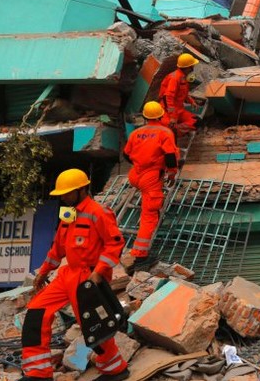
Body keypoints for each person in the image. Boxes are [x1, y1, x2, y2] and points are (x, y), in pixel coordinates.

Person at [20, 169, 128, 381]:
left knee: (94, 325)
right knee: (36, 311)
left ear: (82, 190)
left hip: (88, 278)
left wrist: (98, 274)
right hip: (67, 275)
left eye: (67, 193)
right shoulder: (69, 215)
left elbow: (115, 244)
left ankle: (116, 369)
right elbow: (57, 250)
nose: (63, 197)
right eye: (62, 194)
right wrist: (43, 273)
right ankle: (38, 373)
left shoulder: (99, 212)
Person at [123, 101, 180, 275]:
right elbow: (170, 156)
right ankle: (140, 257)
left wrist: (141, 164)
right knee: (149, 217)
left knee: (147, 212)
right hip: (151, 177)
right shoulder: (165, 132)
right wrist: (171, 173)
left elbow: (126, 154)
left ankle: (139, 254)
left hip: (136, 174)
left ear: (145, 117)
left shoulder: (136, 133)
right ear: (162, 115)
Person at [158, 53, 200, 135]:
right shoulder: (175, 78)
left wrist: (191, 101)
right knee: (169, 128)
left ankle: (177, 129)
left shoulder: (182, 76)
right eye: (193, 65)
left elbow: (184, 92)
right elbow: (168, 97)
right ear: (188, 67)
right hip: (167, 111)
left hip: (179, 110)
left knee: (196, 121)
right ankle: (175, 131)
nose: (194, 67)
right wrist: (173, 116)